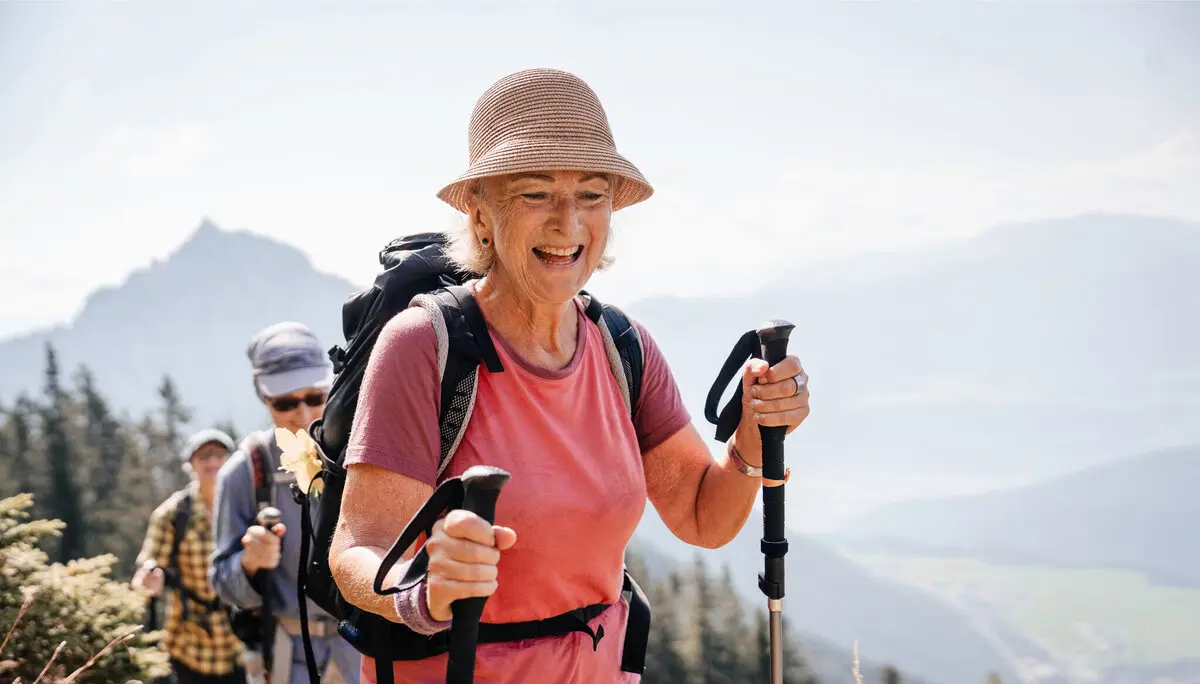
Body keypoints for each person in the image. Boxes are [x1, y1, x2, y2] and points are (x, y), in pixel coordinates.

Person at [327, 68, 812, 683]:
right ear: (480, 211)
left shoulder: (623, 347)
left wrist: (751, 431)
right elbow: (356, 548)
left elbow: (702, 516)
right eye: (534, 193)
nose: (567, 221)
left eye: (590, 193)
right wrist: (421, 590)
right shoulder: (425, 346)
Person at [209, 321, 361, 684]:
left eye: (314, 397)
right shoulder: (246, 472)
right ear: (264, 400)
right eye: (285, 403)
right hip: (285, 659)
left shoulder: (359, 455)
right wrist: (248, 563)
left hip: (359, 650)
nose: (305, 414)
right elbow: (222, 582)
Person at [132, 428, 246, 684]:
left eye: (219, 454)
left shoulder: (244, 506)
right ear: (190, 465)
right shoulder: (173, 514)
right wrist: (150, 577)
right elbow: (149, 563)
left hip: (239, 641)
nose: (213, 462)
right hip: (188, 643)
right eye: (204, 456)